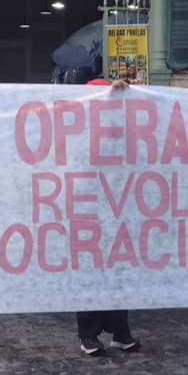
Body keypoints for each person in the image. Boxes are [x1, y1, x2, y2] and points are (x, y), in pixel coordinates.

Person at [75, 75, 142, 357]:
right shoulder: (82, 129)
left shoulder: (119, 130)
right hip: (89, 206)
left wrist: (135, 92)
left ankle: (119, 331)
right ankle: (88, 335)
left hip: (118, 205)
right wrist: (111, 90)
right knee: (91, 268)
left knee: (118, 268)